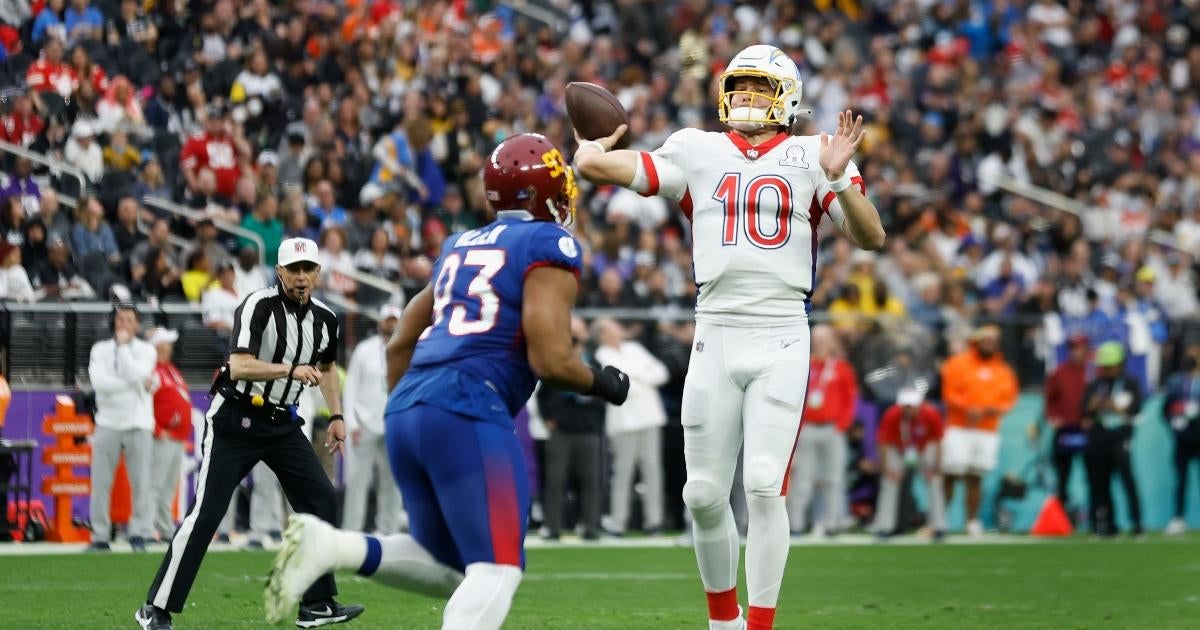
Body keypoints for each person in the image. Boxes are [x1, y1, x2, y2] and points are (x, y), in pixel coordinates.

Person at [571, 43, 884, 629]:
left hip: (781, 331)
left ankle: (758, 625)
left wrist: (840, 180)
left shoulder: (817, 153)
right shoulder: (698, 147)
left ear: (785, 96)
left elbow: (871, 236)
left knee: (765, 483)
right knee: (702, 492)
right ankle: (723, 621)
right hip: (714, 329)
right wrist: (592, 150)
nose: (743, 97)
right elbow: (606, 169)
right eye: (737, 86)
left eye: (757, 88)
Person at [263, 133, 630, 630]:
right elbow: (550, 359)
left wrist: (414, 410)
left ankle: (330, 546)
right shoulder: (551, 241)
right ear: (544, 190)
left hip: (411, 402)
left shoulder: (462, 243)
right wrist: (603, 383)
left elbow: (399, 343)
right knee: (498, 568)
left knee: (451, 566)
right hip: (469, 402)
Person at [135, 237, 363, 630]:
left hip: (282, 422)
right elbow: (239, 366)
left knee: (321, 498)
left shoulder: (326, 318)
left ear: (318, 273)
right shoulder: (257, 305)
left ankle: (317, 604)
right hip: (237, 419)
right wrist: (290, 372)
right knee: (207, 514)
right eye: (294, 270)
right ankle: (155, 607)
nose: (301, 277)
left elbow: (326, 369)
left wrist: (338, 414)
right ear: (279, 272)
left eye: (308, 269)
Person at [88, 302, 157, 552]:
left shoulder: (147, 350)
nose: (124, 325)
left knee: (141, 482)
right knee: (100, 482)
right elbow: (99, 383)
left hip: (138, 422)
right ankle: (99, 535)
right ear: (114, 323)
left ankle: (138, 532)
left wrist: (125, 349)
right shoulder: (101, 349)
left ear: (137, 324)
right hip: (107, 422)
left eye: (129, 320)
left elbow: (140, 374)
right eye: (120, 320)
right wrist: (134, 384)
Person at [940, 324, 1018, 538]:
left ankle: (972, 520)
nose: (989, 344)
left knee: (976, 476)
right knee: (951, 473)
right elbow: (949, 392)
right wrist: (967, 408)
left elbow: (1009, 399)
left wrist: (995, 409)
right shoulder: (958, 364)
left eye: (994, 341)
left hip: (987, 429)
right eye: (986, 340)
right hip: (959, 427)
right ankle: (940, 519)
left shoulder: (1003, 370)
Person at [593, 316, 668, 537]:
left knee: (652, 471)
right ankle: (618, 523)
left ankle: (654, 522)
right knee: (623, 473)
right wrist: (643, 376)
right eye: (613, 325)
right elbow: (623, 387)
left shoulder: (634, 348)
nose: (618, 328)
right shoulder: (601, 355)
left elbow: (661, 373)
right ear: (603, 334)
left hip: (650, 417)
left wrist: (636, 375)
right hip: (624, 422)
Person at [536, 316, 607, 540]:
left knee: (591, 482)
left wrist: (597, 424)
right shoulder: (558, 364)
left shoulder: (594, 364)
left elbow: (604, 393)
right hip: (562, 431)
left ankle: (589, 526)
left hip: (588, 431)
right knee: (555, 481)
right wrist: (548, 418)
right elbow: (542, 394)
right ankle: (553, 526)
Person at [787, 324, 858, 537]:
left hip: (832, 428)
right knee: (802, 479)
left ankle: (830, 523)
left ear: (831, 341)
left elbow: (850, 399)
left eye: (823, 338)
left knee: (833, 478)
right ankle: (796, 524)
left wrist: (842, 425)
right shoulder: (803, 365)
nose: (819, 343)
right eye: (816, 338)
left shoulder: (841, 368)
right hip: (808, 428)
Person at [341, 304, 405, 535]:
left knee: (393, 484)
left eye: (394, 320)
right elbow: (350, 389)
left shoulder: (406, 349)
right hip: (364, 424)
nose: (391, 325)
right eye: (388, 320)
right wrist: (352, 423)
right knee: (357, 482)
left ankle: (389, 531)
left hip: (393, 425)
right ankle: (351, 532)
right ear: (380, 323)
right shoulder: (364, 350)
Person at [1082, 342, 1144, 538]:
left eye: (1108, 366)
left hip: (1120, 439)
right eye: (1103, 366)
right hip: (1099, 439)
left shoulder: (1130, 383)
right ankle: (1107, 524)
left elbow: (1136, 409)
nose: (1105, 370)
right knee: (1099, 484)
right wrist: (1092, 406)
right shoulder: (1095, 384)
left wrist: (1116, 407)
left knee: (1127, 482)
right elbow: (1083, 409)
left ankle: (1136, 523)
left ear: (1119, 364)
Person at [872, 388, 945, 539]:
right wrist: (886, 467)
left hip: (924, 447)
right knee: (889, 483)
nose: (908, 410)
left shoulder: (931, 413)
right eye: (905, 406)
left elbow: (937, 441)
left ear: (919, 405)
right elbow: (883, 442)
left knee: (934, 482)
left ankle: (939, 526)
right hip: (898, 449)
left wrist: (937, 466)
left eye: (911, 406)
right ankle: (884, 527)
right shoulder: (892, 415)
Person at [147, 328, 191, 541]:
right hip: (162, 437)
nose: (171, 347)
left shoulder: (170, 369)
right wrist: (156, 428)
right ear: (158, 346)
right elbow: (145, 402)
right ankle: (146, 528)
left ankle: (164, 528)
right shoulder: (152, 370)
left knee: (168, 487)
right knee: (155, 484)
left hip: (176, 438)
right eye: (166, 343)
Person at [1044, 334, 1090, 510]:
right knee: (1063, 475)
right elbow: (1050, 399)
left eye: (1080, 347)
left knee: (1093, 474)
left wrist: (1092, 419)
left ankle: (1096, 517)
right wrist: (1053, 417)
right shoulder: (1060, 372)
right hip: (1065, 430)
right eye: (1073, 348)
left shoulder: (1092, 372)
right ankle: (1061, 516)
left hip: (1086, 429)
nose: (1076, 352)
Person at [1162, 345, 1200, 535]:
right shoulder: (1176, 382)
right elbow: (1167, 409)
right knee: (1181, 480)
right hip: (1183, 437)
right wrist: (1174, 422)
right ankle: (1178, 518)